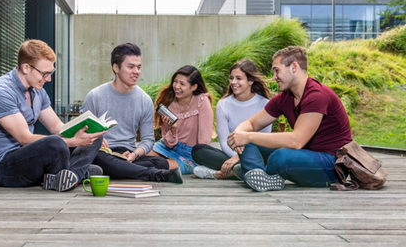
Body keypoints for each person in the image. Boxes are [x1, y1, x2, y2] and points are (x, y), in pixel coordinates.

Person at [0, 39, 106, 192]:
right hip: (6, 169)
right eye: (45, 74)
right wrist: (72, 141)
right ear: (26, 68)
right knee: (56, 143)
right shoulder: (0, 91)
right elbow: (25, 139)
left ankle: (68, 176)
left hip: (34, 159)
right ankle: (77, 173)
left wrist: (84, 132)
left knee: (94, 137)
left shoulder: (38, 91)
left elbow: (55, 126)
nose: (48, 79)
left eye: (50, 73)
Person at [227, 46, 352, 192]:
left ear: (294, 67)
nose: (274, 77)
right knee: (249, 144)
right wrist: (239, 135)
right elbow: (252, 123)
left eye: (277, 70)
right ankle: (257, 176)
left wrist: (248, 136)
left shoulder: (317, 96)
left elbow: (296, 141)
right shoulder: (285, 98)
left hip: (331, 165)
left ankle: (251, 171)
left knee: (280, 156)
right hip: (304, 155)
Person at [80, 43, 183, 183]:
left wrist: (135, 154)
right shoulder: (95, 96)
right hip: (103, 152)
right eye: (131, 67)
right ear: (116, 67)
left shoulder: (144, 100)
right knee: (99, 158)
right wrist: (95, 139)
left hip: (128, 154)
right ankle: (154, 175)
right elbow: (81, 133)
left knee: (161, 162)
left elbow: (148, 140)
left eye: (139, 67)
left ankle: (119, 170)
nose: (136, 71)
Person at [192, 59, 272, 179]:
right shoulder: (223, 104)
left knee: (272, 155)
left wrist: (238, 158)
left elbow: (264, 142)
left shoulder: (265, 104)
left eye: (238, 78)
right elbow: (224, 141)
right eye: (231, 78)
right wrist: (235, 157)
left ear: (250, 81)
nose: (233, 82)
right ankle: (244, 170)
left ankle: (222, 174)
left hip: (257, 154)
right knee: (198, 150)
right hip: (230, 154)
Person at [148, 65, 213, 174]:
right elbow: (168, 143)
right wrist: (173, 130)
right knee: (140, 157)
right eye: (175, 81)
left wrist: (201, 159)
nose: (177, 86)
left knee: (160, 166)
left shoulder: (201, 101)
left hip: (190, 154)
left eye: (182, 84)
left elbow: (204, 141)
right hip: (167, 146)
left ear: (194, 87)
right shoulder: (168, 101)